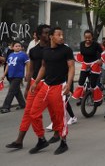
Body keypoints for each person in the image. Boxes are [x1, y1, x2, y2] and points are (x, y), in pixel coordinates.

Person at [29, 27, 75, 155]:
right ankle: (41, 139)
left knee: (60, 117)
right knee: (33, 113)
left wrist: (69, 84)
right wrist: (37, 82)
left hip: (59, 87)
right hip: (46, 87)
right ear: (51, 37)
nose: (61, 37)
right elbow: (43, 67)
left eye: (62, 35)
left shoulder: (66, 50)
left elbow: (71, 67)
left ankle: (63, 142)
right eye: (59, 34)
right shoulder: (46, 51)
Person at [5, 25, 51, 150]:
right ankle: (19, 141)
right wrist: (27, 88)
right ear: (39, 34)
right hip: (34, 83)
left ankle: (54, 136)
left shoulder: (53, 48)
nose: (48, 35)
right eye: (46, 33)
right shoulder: (34, 50)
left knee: (39, 113)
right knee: (28, 112)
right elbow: (31, 70)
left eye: (49, 33)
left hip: (48, 84)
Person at [72, 30, 103, 104]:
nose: (87, 39)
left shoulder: (96, 44)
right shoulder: (82, 44)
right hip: (86, 64)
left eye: (89, 38)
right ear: (84, 37)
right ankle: (81, 97)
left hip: (94, 64)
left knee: (93, 84)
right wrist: (76, 59)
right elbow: (81, 53)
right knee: (81, 82)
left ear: (92, 37)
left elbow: (103, 52)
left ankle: (98, 99)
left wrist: (101, 60)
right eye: (86, 37)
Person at [0, 42, 28, 113]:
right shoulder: (10, 55)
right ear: (12, 47)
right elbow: (7, 66)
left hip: (18, 76)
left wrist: (27, 74)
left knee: (11, 91)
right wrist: (4, 75)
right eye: (16, 46)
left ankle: (6, 107)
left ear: (21, 47)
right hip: (10, 75)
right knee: (17, 91)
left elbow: (28, 64)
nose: (18, 47)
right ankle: (22, 104)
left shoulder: (23, 55)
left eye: (19, 46)